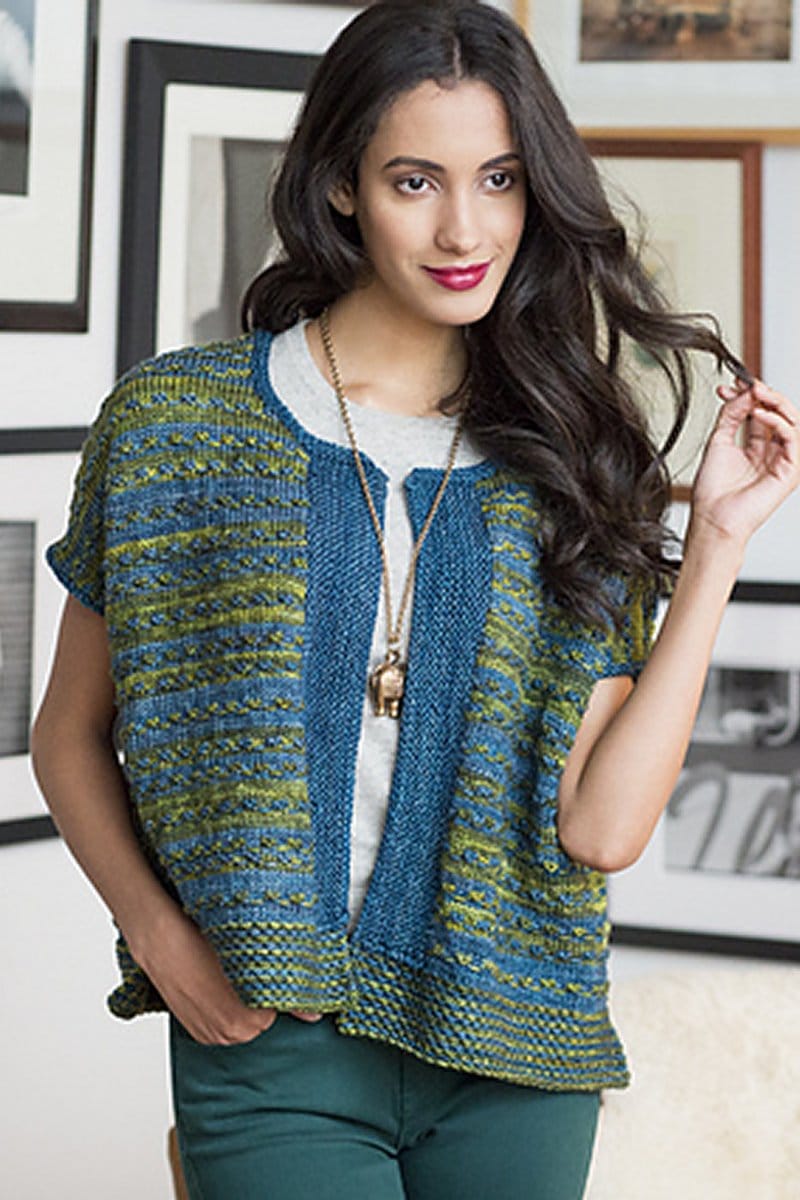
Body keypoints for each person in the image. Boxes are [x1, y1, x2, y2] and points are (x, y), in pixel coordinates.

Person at [30, 3, 799, 1198]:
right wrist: (161, 940)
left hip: (514, 1048)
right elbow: (68, 735)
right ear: (340, 186)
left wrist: (713, 547)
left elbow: (600, 833)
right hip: (270, 1035)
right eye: (413, 181)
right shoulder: (178, 425)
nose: (462, 229)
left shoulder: (572, 457)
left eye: (498, 179)